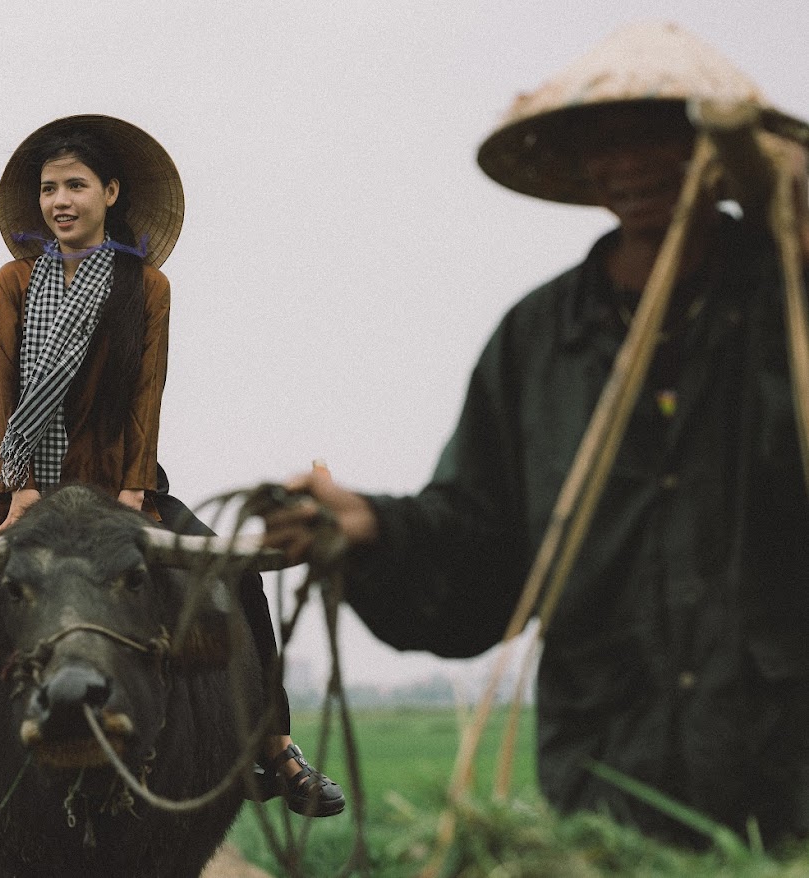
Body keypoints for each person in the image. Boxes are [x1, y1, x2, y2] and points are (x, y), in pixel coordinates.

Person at [264, 23, 809, 846]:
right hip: (612, 780)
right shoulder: (538, 340)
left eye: (655, 136)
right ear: (583, 167)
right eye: (605, 142)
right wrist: (372, 527)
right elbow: (485, 548)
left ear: (710, 151)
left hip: (787, 772)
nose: (629, 163)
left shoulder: (787, 306)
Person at [0, 114, 343, 817]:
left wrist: (135, 493)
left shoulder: (149, 288)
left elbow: (148, 395)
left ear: (111, 191)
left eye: (76, 185)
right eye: (48, 189)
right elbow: (7, 389)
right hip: (12, 476)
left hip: (121, 476)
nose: (60, 201)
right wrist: (17, 490)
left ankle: (274, 748)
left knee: (242, 577)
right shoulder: (15, 280)